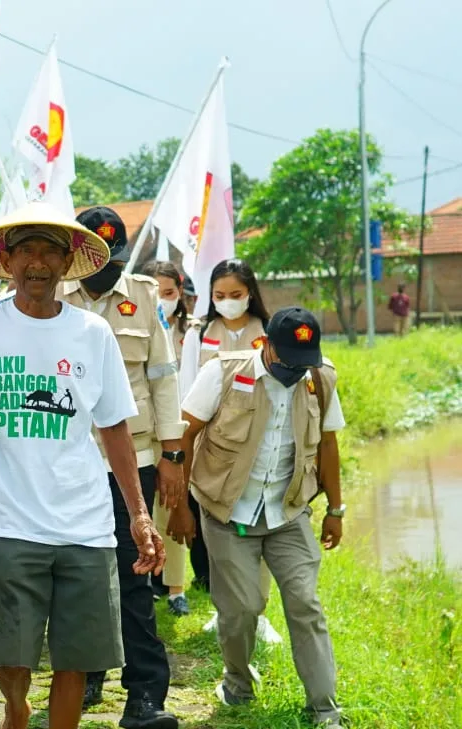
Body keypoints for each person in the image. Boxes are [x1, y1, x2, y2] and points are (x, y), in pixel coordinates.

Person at [0, 201, 167, 729]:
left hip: (84, 525)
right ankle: (16, 709)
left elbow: (114, 427)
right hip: (6, 522)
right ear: (7, 261)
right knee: (10, 657)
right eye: (26, 250)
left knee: (76, 658)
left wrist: (139, 514)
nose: (37, 262)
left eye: (50, 251)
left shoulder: (93, 332)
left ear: (67, 263)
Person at [172, 308, 347, 729]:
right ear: (265, 344)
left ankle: (324, 709)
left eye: (301, 361)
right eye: (286, 359)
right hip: (227, 512)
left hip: (287, 511)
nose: (293, 370)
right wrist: (180, 507)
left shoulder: (319, 378)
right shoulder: (223, 373)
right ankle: (237, 682)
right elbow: (185, 435)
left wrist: (335, 509)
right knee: (241, 609)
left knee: (305, 604)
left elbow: (328, 444)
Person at [58, 208, 182, 727]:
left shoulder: (144, 296)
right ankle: (86, 673)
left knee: (133, 577)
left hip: (135, 458)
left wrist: (173, 455)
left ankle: (146, 694)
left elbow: (163, 378)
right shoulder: (51, 295)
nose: (107, 271)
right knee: (79, 575)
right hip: (67, 461)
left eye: (115, 261)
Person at [174, 260, 279, 645]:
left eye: (236, 295)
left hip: (260, 446)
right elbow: (186, 391)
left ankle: (260, 614)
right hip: (212, 447)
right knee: (217, 534)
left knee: (260, 529)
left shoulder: (268, 332)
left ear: (251, 293)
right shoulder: (199, 333)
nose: (228, 302)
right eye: (220, 295)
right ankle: (224, 612)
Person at [138, 260, 196, 610]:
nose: (162, 299)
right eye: (156, 292)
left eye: (169, 292)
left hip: (180, 430)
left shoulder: (192, 331)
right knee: (140, 511)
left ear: (180, 292)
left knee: (171, 505)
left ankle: (176, 588)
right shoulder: (136, 324)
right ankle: (144, 582)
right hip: (144, 428)